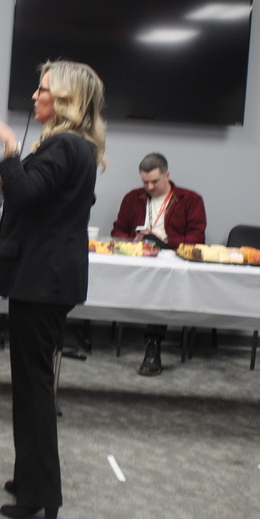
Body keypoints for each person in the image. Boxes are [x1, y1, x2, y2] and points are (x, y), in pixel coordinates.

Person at [0, 60, 106, 519]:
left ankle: (40, 494)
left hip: (41, 279)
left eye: (43, 89)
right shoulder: (73, 145)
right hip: (47, 277)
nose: (34, 95)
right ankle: (30, 476)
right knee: (33, 384)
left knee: (33, 388)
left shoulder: (64, 145)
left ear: (66, 99)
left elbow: (27, 197)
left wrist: (11, 149)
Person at [111, 152, 207, 376]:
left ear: (167, 175)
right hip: (139, 258)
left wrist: (163, 241)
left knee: (162, 284)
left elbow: (197, 239)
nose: (149, 187)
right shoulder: (132, 198)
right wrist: (132, 240)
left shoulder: (190, 200)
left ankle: (153, 344)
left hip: (171, 260)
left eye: (154, 181)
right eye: (145, 182)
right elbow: (117, 231)